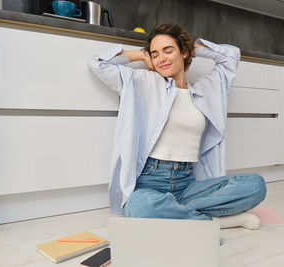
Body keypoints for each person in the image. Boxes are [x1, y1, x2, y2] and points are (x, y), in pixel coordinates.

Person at [89, 23, 266, 229]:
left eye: (168, 50)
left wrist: (195, 48)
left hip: (187, 183)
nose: (161, 58)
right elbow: (98, 64)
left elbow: (231, 57)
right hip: (150, 182)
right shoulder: (145, 82)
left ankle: (179, 214)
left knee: (256, 185)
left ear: (183, 53)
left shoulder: (205, 90)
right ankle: (212, 223)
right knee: (139, 205)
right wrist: (141, 55)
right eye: (155, 54)